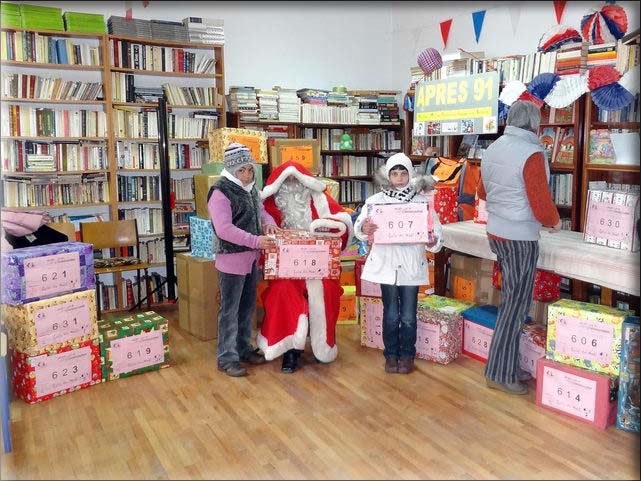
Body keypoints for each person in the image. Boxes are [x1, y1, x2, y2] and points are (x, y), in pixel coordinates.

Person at [477, 100, 561, 395]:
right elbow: (541, 205)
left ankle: (507, 365)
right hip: (520, 237)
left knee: (510, 302)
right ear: (535, 123)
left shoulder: (493, 148)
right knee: (515, 306)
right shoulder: (532, 153)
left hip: (496, 231)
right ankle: (499, 373)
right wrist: (555, 221)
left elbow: (482, 192)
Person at [257, 161, 353, 373]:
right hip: (286, 270)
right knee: (282, 292)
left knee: (327, 289)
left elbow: (343, 224)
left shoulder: (320, 200)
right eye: (287, 180)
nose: (292, 184)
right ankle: (291, 350)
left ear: (304, 182)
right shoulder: (269, 205)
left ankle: (322, 344)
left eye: (296, 179)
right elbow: (260, 237)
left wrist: (327, 228)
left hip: (318, 267)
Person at [354, 152, 443, 374]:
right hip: (387, 265)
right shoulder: (375, 202)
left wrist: (432, 239)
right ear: (388, 175)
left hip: (411, 265)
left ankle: (407, 355)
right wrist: (364, 229)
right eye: (395, 173)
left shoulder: (421, 202)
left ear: (410, 174)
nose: (399, 177)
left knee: (409, 315)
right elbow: (361, 227)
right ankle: (391, 355)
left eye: (404, 173)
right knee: (391, 313)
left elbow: (436, 231)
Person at [207, 142, 279, 377]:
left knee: (247, 307)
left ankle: (243, 348)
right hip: (231, 260)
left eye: (250, 170)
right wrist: (257, 241)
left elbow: (261, 212)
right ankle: (226, 357)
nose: (247, 175)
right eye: (242, 170)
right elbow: (224, 229)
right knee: (229, 310)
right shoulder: (220, 191)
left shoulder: (250, 189)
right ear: (231, 169)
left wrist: (269, 224)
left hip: (250, 259)